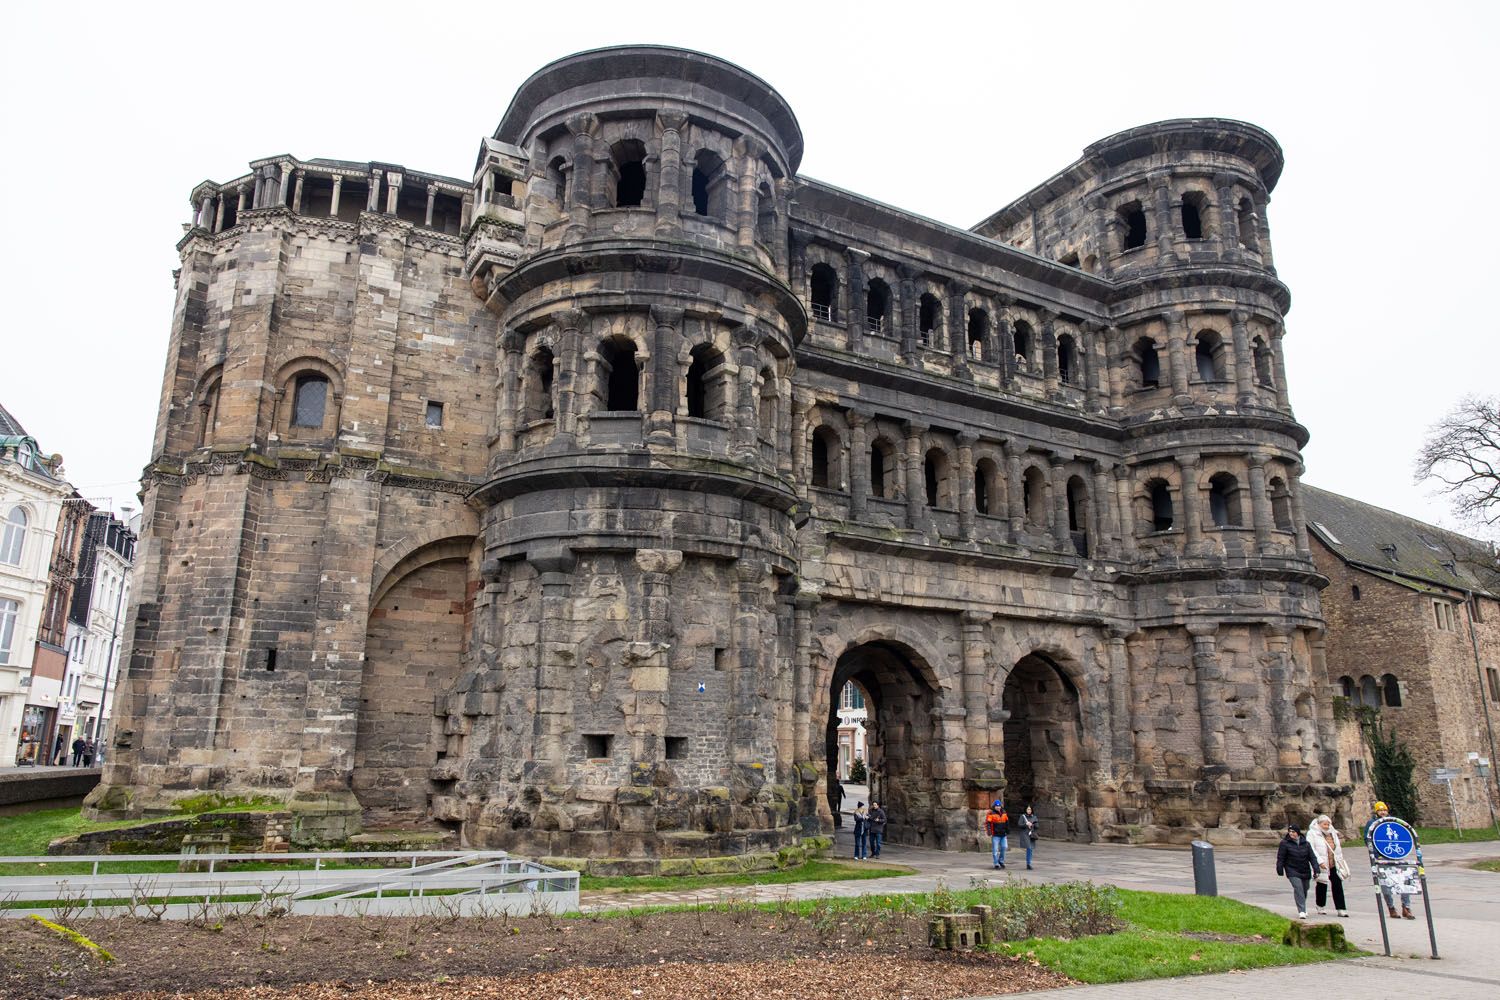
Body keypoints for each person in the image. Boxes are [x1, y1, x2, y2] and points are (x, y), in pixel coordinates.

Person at [1364, 800, 1418, 920]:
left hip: (1397, 856)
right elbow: (1368, 840)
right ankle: (1391, 908)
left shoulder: (1392, 821)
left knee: (1404, 881)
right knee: (1386, 883)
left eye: (1384, 810)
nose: (1383, 812)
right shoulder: (1372, 823)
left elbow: (1400, 835)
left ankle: (1406, 907)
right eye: (1380, 810)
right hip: (1381, 858)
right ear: (1376, 811)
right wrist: (1377, 855)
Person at [1307, 814, 1351, 917]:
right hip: (1322, 863)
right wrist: (1319, 861)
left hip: (1334, 863)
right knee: (1322, 884)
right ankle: (1320, 905)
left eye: (1328, 824)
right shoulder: (1312, 833)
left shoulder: (1333, 833)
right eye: (1324, 824)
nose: (1326, 826)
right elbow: (1311, 848)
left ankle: (1341, 908)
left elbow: (1337, 848)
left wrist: (1340, 860)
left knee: (1337, 884)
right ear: (1319, 824)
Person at [1275, 820, 1317, 919]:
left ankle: (1302, 904)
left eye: (1293, 832)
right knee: (1298, 888)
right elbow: (1281, 857)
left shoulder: (1306, 844)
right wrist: (1279, 868)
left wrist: (1316, 868)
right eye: (1290, 832)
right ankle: (1302, 910)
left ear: (1298, 833)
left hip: (1305, 869)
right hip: (1292, 870)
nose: (1291, 834)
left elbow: (1312, 857)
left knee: (1305, 889)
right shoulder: (1284, 843)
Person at [984, 800, 1009, 869]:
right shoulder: (991, 813)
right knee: (995, 849)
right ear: (994, 806)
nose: (998, 807)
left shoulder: (1004, 813)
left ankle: (1001, 861)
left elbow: (1007, 822)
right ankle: (996, 863)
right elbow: (988, 823)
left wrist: (1008, 830)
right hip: (995, 834)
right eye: (996, 806)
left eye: (999, 806)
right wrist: (989, 831)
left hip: (1003, 834)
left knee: (1004, 847)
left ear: (1001, 806)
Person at [1019, 804, 1039, 870]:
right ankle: (1028, 863)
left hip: (1031, 834)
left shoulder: (1034, 817)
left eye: (1030, 809)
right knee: (1029, 847)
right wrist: (1026, 824)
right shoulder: (1023, 816)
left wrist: (1032, 824)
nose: (1029, 810)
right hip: (1025, 834)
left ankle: (1029, 863)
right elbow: (1019, 824)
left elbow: (1037, 826)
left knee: (1030, 849)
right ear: (1025, 810)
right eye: (1028, 809)